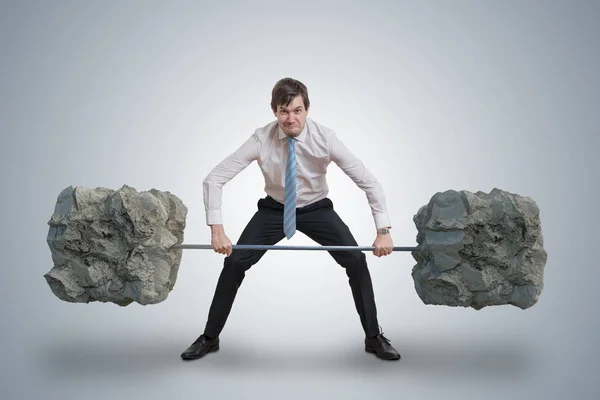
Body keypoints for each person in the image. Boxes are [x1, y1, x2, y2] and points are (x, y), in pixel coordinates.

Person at [180, 77, 401, 361]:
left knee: (356, 260)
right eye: (284, 111)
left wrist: (383, 230)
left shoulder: (326, 138)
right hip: (274, 210)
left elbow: (369, 182)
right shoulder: (261, 138)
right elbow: (214, 179)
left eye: (297, 110)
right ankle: (209, 338)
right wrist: (217, 231)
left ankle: (373, 337)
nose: (290, 118)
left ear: (307, 109)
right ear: (274, 111)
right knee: (234, 261)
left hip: (317, 209)